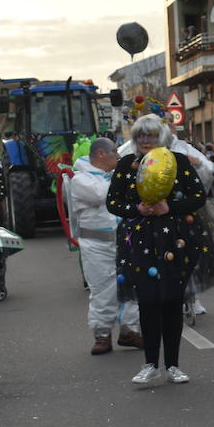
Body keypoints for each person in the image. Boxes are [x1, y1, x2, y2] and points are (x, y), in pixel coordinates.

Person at [107, 116, 208, 385]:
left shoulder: (178, 161)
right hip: (139, 242)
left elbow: (198, 196)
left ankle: (173, 365)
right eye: (140, 136)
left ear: (160, 137)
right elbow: (112, 202)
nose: (145, 141)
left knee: (172, 301)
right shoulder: (126, 166)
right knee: (148, 301)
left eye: (150, 136)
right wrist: (135, 209)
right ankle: (150, 363)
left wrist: (170, 208)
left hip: (175, 241)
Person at [69, 137, 142, 355]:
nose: (118, 157)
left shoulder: (114, 176)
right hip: (96, 245)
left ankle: (130, 331)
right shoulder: (80, 179)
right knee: (102, 290)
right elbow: (102, 194)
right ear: (101, 154)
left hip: (125, 242)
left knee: (132, 286)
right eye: (114, 152)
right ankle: (102, 335)